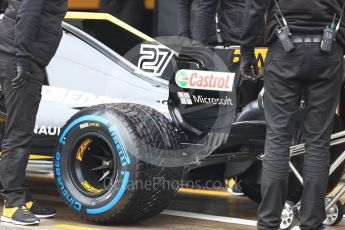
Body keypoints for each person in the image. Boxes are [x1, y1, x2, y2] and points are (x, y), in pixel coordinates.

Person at [240, 0, 345, 229]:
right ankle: (312, 223)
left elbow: (254, 8)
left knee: (278, 141)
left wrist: (246, 53)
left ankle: (268, 223)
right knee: (318, 143)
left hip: (284, 52)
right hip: (328, 52)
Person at [0, 0, 68, 226]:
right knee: (19, 133)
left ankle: (22, 197)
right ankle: (12, 204)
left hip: (16, 54)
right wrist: (23, 59)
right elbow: (27, 15)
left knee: (17, 131)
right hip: (21, 59)